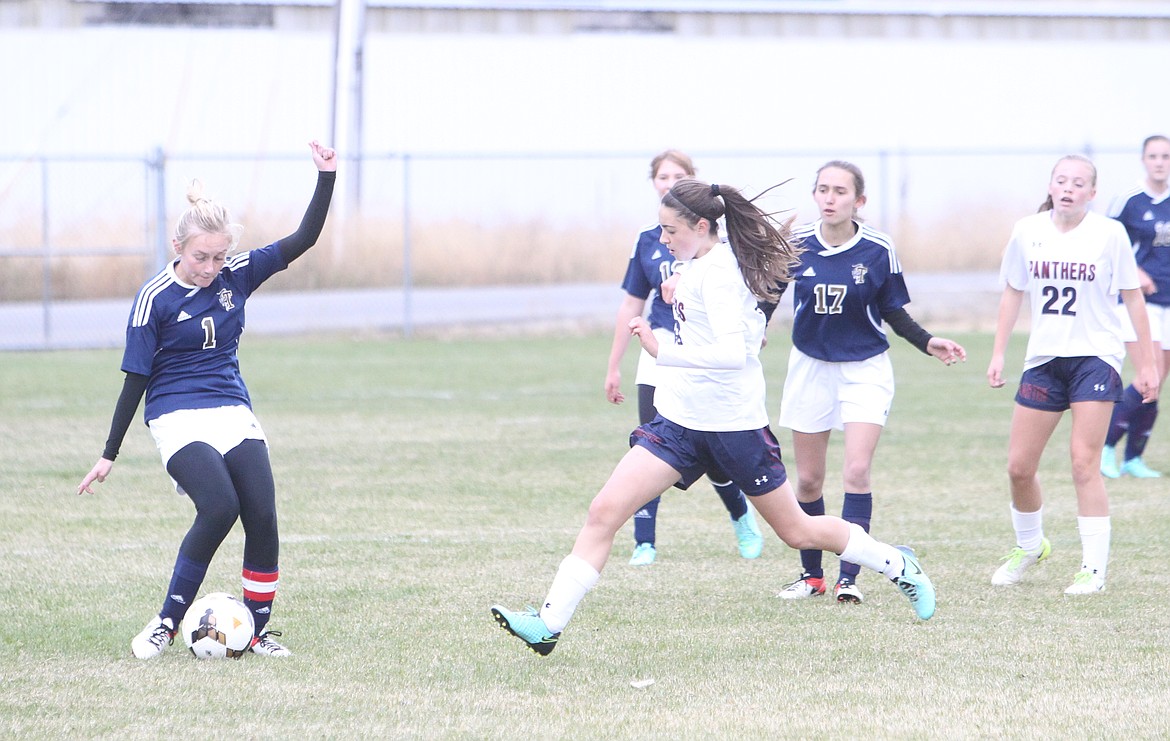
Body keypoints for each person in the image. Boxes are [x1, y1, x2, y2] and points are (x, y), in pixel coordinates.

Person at [490, 178, 937, 656]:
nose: (662, 241)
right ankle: (548, 624)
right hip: (679, 423)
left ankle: (896, 565)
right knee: (603, 512)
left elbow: (733, 354)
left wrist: (664, 351)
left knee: (797, 531)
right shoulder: (698, 263)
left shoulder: (719, 273)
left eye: (670, 231)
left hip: (733, 428)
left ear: (702, 226)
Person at [76, 140, 338, 658]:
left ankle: (256, 631)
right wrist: (109, 453)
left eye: (218, 256)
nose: (210, 266)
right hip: (175, 415)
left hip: (231, 410)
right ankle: (165, 623)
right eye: (201, 256)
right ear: (178, 246)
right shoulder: (154, 299)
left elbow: (304, 238)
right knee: (219, 507)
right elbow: (134, 379)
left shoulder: (236, 273)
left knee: (261, 512)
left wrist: (326, 176)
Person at [772, 160, 966, 605]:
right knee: (807, 482)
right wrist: (756, 327)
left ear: (858, 201)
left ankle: (848, 578)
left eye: (840, 191)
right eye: (822, 189)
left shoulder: (878, 248)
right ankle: (812, 576)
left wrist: (928, 341)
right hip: (810, 365)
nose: (829, 198)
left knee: (856, 471)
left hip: (865, 368)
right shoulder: (798, 243)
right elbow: (769, 295)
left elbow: (893, 311)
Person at [987, 154, 1159, 595]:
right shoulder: (1028, 230)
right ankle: (1029, 546)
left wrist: (1147, 363)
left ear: (1092, 193)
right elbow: (1013, 292)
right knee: (1019, 468)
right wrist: (999, 354)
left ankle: (1093, 570)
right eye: (1061, 180)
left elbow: (1133, 298)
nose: (1068, 188)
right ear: (1051, 186)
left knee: (1084, 462)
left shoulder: (1109, 234)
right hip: (1044, 360)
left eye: (1078, 183)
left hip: (1096, 358)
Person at [604, 149, 763, 566]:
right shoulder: (649, 238)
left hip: (692, 349)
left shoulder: (714, 248)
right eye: (662, 176)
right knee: (652, 438)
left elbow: (736, 302)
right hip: (657, 342)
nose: (668, 181)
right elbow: (631, 304)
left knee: (707, 447)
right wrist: (613, 365)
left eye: (677, 175)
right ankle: (645, 541)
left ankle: (740, 513)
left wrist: (750, 333)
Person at [1100, 134, 1170, 479]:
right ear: (1144, 160)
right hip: (1139, 303)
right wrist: (1137, 272)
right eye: (1154, 156)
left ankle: (1133, 459)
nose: (1160, 162)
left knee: (1157, 381)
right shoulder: (1128, 201)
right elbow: (1107, 242)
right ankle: (1105, 448)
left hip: (1169, 303)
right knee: (1147, 377)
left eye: (1166, 156)